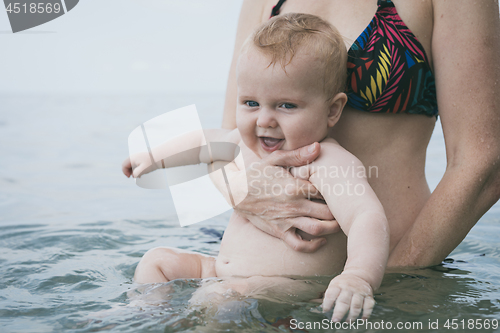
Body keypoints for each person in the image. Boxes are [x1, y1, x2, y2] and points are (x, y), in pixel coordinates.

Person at [123, 13, 390, 321]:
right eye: (250, 103)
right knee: (157, 261)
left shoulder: (325, 161)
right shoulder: (242, 144)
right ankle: (140, 317)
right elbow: (202, 142)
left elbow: (366, 216)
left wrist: (358, 275)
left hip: (285, 286)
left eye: (286, 105)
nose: (264, 120)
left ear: (332, 110)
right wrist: (154, 157)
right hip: (220, 272)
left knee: (220, 297)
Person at [219, 0, 500, 267]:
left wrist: (386, 278)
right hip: (254, 267)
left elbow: (484, 161)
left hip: (396, 272)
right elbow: (225, 141)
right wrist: (241, 195)